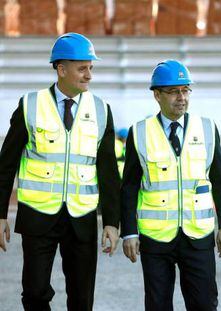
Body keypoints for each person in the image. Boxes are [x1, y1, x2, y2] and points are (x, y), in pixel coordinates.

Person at [0, 32, 120, 311]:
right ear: (61, 69)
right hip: (37, 216)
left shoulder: (101, 110)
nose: (89, 75)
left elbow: (109, 172)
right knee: (35, 293)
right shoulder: (30, 105)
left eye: (91, 67)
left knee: (81, 298)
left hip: (82, 218)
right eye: (82, 68)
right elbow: (5, 166)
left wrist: (112, 223)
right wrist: (0, 214)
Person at [121, 59, 221, 311]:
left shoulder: (206, 128)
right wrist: (129, 231)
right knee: (158, 305)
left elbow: (220, 181)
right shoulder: (139, 132)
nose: (181, 97)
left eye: (185, 90)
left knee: (204, 304)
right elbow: (128, 187)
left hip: (198, 234)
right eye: (173, 91)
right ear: (157, 95)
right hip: (155, 236)